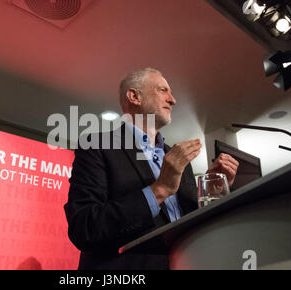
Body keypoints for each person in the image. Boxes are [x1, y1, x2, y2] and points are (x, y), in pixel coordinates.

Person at [64, 68, 239, 270]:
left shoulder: (179, 159)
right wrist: (160, 189)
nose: (172, 100)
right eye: (163, 90)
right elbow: (84, 228)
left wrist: (211, 191)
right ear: (134, 96)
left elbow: (187, 226)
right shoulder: (96, 146)